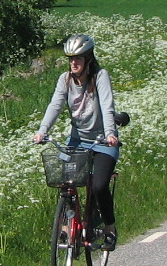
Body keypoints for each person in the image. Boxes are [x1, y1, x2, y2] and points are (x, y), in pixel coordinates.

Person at [34, 32, 120, 249]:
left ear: (88, 58)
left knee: (99, 186)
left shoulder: (100, 76)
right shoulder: (65, 79)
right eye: (70, 59)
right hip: (77, 140)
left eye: (78, 58)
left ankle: (109, 228)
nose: (74, 63)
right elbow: (55, 105)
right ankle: (66, 226)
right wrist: (42, 131)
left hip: (102, 141)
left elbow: (107, 107)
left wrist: (111, 134)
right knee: (66, 182)